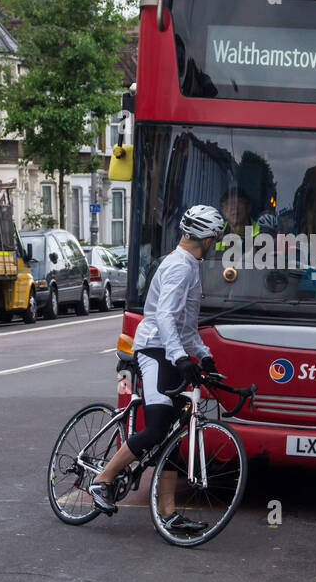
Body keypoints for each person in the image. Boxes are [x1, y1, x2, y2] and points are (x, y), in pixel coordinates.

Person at [87, 205, 226, 533]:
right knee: (156, 428)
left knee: (173, 437)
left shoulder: (191, 266)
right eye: (215, 239)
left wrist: (203, 356)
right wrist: (180, 358)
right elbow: (164, 319)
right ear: (206, 238)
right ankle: (102, 480)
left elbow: (186, 325)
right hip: (153, 351)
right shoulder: (179, 267)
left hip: (170, 351)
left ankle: (168, 513)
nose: (215, 245)